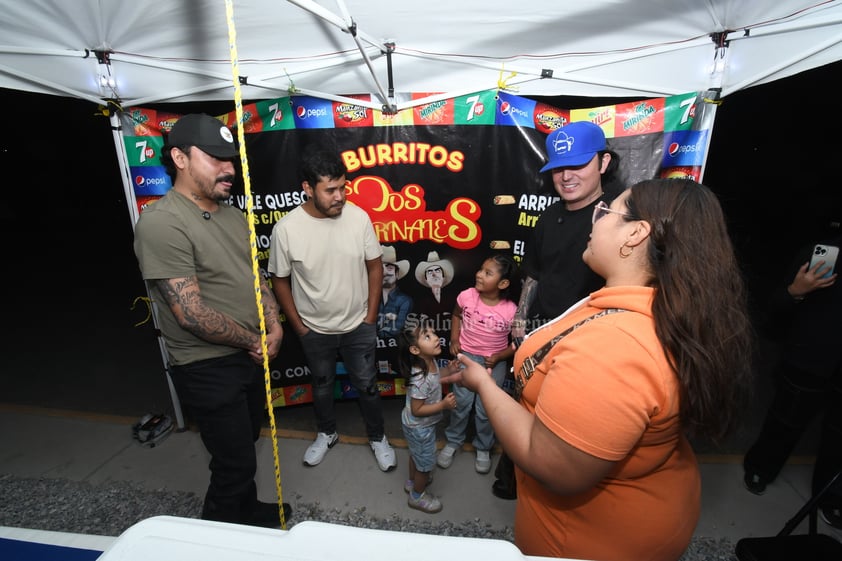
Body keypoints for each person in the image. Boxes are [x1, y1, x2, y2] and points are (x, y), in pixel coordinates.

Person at [443, 178, 754, 561]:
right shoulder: (648, 307)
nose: (596, 219)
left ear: (637, 233)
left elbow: (554, 465)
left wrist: (483, 385)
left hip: (588, 539)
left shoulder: (615, 350)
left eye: (607, 211)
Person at [133, 113, 291, 527]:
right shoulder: (162, 222)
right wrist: (253, 341)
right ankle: (217, 536)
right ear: (180, 159)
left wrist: (273, 325)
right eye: (217, 158)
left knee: (245, 444)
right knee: (233, 462)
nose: (230, 169)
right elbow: (191, 313)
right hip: (207, 364)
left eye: (232, 159)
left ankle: (249, 512)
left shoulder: (231, 214)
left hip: (248, 353)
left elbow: (254, 276)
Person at [495, 120, 621, 500]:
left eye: (578, 165)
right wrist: (520, 320)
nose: (566, 176)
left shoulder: (617, 217)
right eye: (559, 168)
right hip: (537, 333)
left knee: (566, 421)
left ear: (603, 162)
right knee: (522, 407)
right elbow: (534, 273)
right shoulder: (548, 215)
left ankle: (554, 488)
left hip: (587, 345)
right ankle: (510, 478)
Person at [267, 147, 397, 471]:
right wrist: (299, 326)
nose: (339, 196)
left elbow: (375, 267)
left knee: (368, 385)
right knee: (322, 385)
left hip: (358, 327)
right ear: (308, 188)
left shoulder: (359, 218)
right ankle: (326, 433)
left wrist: (369, 318)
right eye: (330, 190)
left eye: (343, 187)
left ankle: (378, 436)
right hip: (314, 330)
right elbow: (279, 281)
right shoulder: (286, 229)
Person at [742, 228, 841, 528]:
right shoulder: (823, 250)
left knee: (839, 437)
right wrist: (796, 291)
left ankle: (831, 497)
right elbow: (774, 310)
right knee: (785, 422)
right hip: (808, 360)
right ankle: (761, 467)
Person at [437, 253, 519, 474]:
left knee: (486, 410)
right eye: (481, 269)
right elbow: (456, 315)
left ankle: (483, 447)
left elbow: (520, 341)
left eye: (487, 273)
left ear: (502, 283)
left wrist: (501, 356)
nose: (479, 274)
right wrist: (454, 339)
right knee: (461, 405)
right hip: (466, 359)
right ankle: (453, 441)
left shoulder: (511, 310)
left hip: (493, 365)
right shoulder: (467, 296)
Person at [398, 318, 458, 514]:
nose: (435, 338)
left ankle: (411, 482)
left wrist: (448, 370)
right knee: (425, 465)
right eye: (427, 336)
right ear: (415, 350)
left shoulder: (429, 362)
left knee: (416, 454)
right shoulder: (419, 379)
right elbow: (417, 409)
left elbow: (436, 376)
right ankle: (417, 495)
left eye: (433, 333)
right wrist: (443, 404)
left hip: (416, 426)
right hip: (419, 427)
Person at [414, 251, 457, 355]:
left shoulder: (455, 298)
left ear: (443, 276)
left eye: (437, 271)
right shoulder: (420, 300)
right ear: (426, 279)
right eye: (429, 272)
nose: (433, 274)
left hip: (451, 349)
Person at [377, 245, 413, 339]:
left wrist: (377, 330)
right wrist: (385, 318)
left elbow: (397, 328)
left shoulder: (405, 300)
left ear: (397, 274)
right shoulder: (371, 299)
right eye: (381, 268)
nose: (385, 273)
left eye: (389, 268)